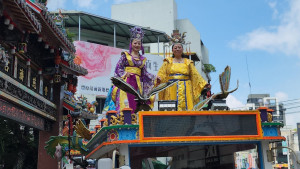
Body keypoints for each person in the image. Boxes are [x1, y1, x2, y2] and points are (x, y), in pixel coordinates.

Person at [111, 27, 159, 113]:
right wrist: (125, 73)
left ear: (141, 46)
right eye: (135, 43)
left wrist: (155, 78)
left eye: (139, 43)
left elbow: (145, 73)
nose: (137, 45)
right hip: (127, 82)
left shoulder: (142, 59)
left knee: (136, 101)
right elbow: (118, 67)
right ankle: (124, 118)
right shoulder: (125, 56)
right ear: (131, 44)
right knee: (126, 100)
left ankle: (134, 118)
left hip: (137, 84)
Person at [157, 31, 208, 111]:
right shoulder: (168, 61)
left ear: (182, 49)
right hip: (171, 87)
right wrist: (158, 79)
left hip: (186, 88)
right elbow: (162, 74)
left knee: (187, 108)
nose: (177, 49)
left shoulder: (188, 62)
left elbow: (195, 75)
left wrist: (204, 84)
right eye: (175, 48)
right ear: (172, 50)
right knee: (172, 108)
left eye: (179, 47)